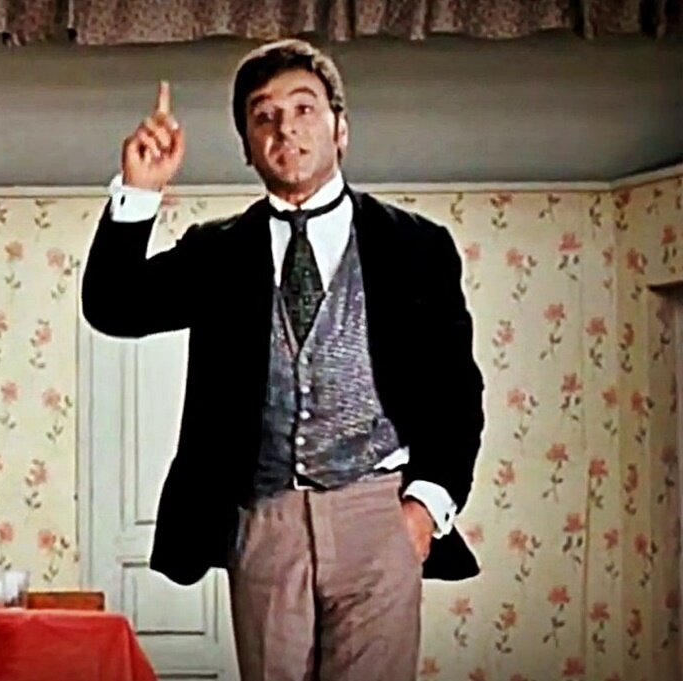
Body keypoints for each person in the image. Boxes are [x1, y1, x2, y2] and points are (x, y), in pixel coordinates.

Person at [81, 39, 485, 681]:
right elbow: (115, 306)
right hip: (264, 520)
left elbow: (456, 392)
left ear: (340, 129)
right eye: (263, 116)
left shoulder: (416, 246)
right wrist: (139, 191)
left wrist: (423, 510)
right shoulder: (218, 251)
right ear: (247, 146)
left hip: (378, 513)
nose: (285, 128)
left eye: (304, 109)